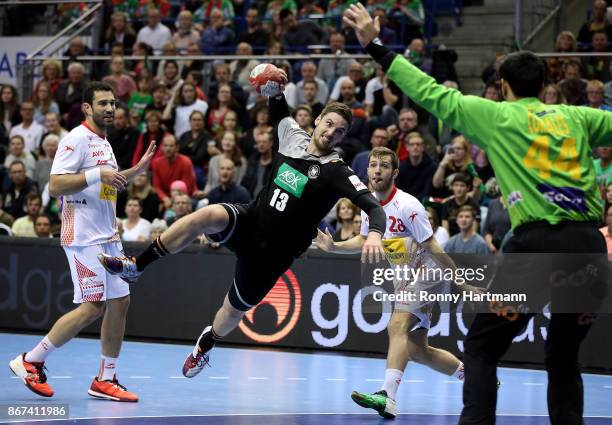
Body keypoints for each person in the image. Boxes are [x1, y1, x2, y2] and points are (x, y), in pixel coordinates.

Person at [343, 5, 612, 424]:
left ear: (503, 86)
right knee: (564, 356)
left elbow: (430, 91)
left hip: (536, 249)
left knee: (483, 349)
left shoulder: (496, 115)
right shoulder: (578, 117)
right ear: (545, 85)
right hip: (588, 249)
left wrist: (375, 46)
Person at [98, 69, 387, 383]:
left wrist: (374, 233)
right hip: (251, 221)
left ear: (343, 138)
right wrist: (273, 85)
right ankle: (137, 266)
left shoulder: (337, 170)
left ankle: (206, 345)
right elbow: (277, 105)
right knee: (204, 216)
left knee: (230, 314)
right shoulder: (293, 135)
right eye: (329, 123)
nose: (332, 132)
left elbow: (373, 206)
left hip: (272, 257)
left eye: (340, 131)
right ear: (317, 120)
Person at [9, 82, 156, 402]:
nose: (109, 108)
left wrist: (136, 170)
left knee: (121, 301)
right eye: (102, 103)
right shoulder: (76, 139)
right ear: (87, 108)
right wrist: (97, 176)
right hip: (83, 237)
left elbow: (109, 182)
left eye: (113, 103)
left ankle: (106, 378)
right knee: (93, 306)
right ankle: (31, 361)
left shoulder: (103, 141)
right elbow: (57, 185)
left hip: (108, 236)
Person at [316, 146, 470, 419]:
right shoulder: (369, 208)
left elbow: (432, 245)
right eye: (373, 165)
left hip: (428, 274)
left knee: (396, 324)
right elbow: (364, 240)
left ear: (394, 172)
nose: (376, 170)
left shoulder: (408, 206)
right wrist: (334, 247)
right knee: (417, 351)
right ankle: (473, 375)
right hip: (404, 278)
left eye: (383, 166)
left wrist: (459, 280)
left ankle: (387, 397)